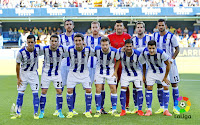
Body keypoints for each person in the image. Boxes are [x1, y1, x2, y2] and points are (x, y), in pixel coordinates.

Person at [152, 19, 180, 115]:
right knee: (160, 85)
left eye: (162, 25)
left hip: (170, 65)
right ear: (157, 26)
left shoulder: (171, 36)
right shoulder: (154, 36)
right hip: (159, 65)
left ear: (165, 26)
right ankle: (162, 107)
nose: (160, 27)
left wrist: (172, 59)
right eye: (159, 25)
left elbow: (177, 49)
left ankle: (176, 107)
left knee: (174, 84)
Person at [11, 35, 42, 119]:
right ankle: (18, 113)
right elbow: (17, 65)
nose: (30, 44)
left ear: (35, 42)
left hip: (33, 74)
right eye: (29, 42)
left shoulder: (38, 48)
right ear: (26, 42)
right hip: (23, 74)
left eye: (32, 42)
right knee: (20, 94)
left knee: (35, 94)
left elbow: (48, 50)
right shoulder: (21, 52)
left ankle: (35, 113)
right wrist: (18, 78)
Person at [140, 40, 172, 116]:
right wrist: (144, 75)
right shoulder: (144, 52)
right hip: (151, 71)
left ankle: (166, 110)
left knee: (166, 87)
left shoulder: (161, 53)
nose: (151, 50)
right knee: (149, 87)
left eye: (153, 48)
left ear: (156, 47)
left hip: (162, 71)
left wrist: (165, 77)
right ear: (147, 47)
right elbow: (143, 64)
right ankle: (149, 109)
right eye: (150, 48)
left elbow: (168, 64)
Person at [53, 19, 78, 116]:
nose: (68, 26)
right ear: (64, 26)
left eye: (70, 24)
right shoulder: (60, 37)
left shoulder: (77, 37)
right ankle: (58, 109)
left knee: (72, 87)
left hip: (73, 65)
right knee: (60, 87)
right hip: (62, 65)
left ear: (73, 26)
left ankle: (72, 108)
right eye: (67, 24)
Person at [39, 35, 66, 119]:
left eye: (55, 41)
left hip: (57, 74)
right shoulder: (45, 49)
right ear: (49, 41)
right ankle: (42, 112)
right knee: (43, 91)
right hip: (46, 74)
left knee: (59, 91)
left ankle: (59, 111)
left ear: (58, 42)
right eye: (52, 41)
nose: (53, 43)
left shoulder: (62, 49)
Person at [66, 33, 92, 118]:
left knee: (88, 90)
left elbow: (99, 53)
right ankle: (70, 111)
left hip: (84, 72)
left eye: (79, 40)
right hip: (73, 73)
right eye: (76, 40)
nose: (78, 42)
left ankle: (87, 111)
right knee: (69, 90)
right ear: (73, 41)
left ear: (83, 41)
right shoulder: (70, 49)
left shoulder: (88, 49)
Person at [93, 37, 120, 118]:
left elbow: (118, 60)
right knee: (98, 89)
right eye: (103, 45)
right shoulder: (96, 49)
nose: (104, 46)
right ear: (100, 45)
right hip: (99, 70)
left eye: (106, 45)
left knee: (113, 89)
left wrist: (115, 71)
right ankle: (98, 110)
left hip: (110, 71)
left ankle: (114, 110)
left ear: (109, 45)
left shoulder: (114, 51)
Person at [108, 20, 131, 113]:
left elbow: (130, 49)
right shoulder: (110, 37)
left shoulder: (127, 37)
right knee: (113, 86)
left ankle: (127, 106)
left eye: (120, 26)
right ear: (115, 27)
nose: (119, 27)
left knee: (125, 86)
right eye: (117, 25)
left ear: (123, 27)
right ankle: (112, 106)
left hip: (125, 65)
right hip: (114, 65)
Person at [85, 21, 107, 114]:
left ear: (99, 28)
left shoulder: (103, 39)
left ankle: (101, 108)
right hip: (89, 67)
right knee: (88, 87)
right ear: (91, 29)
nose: (94, 29)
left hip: (100, 67)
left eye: (96, 27)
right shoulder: (86, 39)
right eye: (93, 27)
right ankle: (88, 109)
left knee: (101, 87)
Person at [118, 39, 144, 116]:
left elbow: (143, 63)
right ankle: (123, 110)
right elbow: (113, 53)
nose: (128, 48)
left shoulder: (137, 53)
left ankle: (140, 110)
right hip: (125, 73)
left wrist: (143, 75)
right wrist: (119, 49)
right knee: (123, 89)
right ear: (124, 46)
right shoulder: (120, 52)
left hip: (137, 73)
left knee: (139, 89)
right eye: (127, 46)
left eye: (130, 46)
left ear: (133, 46)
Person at [131, 21, 152, 114]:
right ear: (136, 29)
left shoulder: (149, 38)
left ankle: (148, 107)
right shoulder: (133, 40)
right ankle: (136, 107)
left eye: (141, 27)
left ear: (144, 29)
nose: (139, 29)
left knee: (147, 85)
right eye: (138, 27)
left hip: (148, 66)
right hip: (136, 67)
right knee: (135, 86)